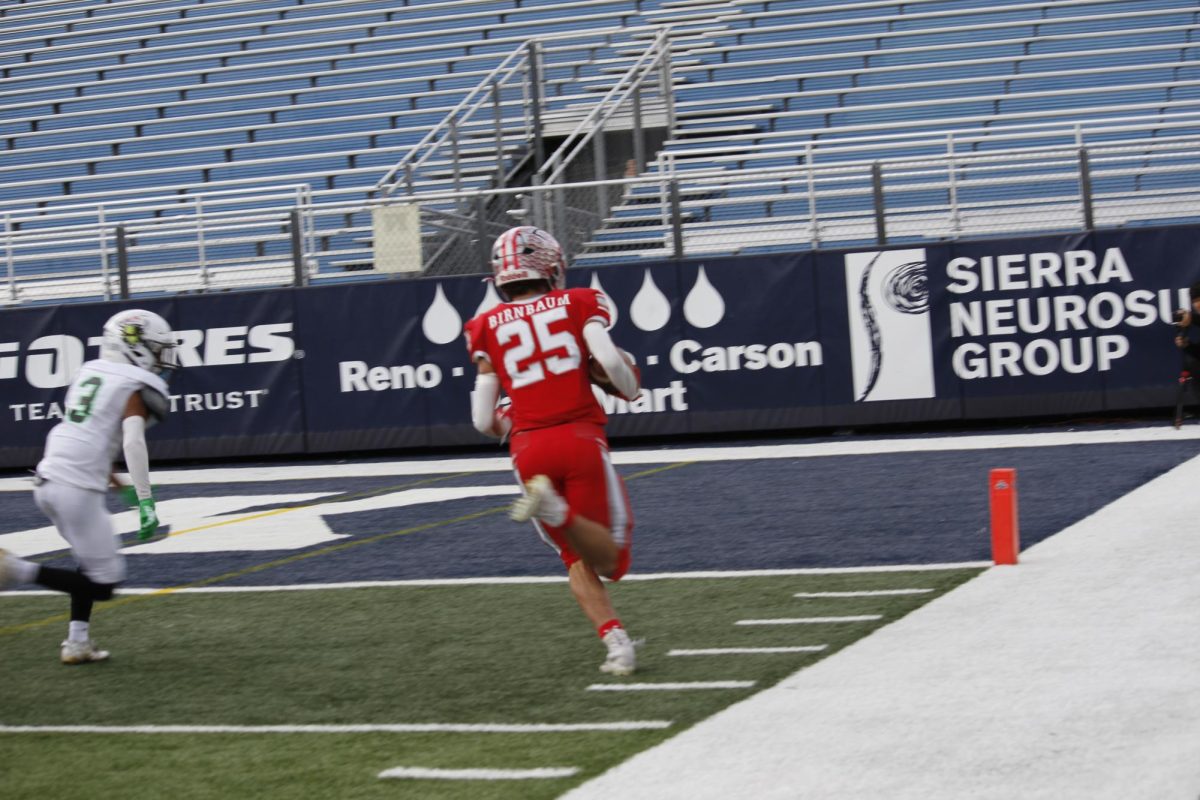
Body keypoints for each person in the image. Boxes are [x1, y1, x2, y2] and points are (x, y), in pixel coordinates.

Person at [464, 226, 643, 675]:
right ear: (550, 265)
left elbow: (483, 420)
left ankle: (617, 644)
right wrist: (630, 390)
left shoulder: (485, 324)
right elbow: (613, 363)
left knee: (575, 559)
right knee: (610, 560)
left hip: (527, 449)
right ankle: (556, 511)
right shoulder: (580, 301)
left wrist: (516, 417)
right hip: (579, 438)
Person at [0, 309, 175, 664]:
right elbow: (132, 443)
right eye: (157, 349)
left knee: (87, 564)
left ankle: (77, 643)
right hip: (75, 490)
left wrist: (120, 485)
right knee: (104, 585)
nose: (161, 358)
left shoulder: (91, 373)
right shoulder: (133, 386)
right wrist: (145, 501)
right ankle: (14, 569)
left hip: (49, 480)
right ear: (135, 347)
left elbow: (93, 438)